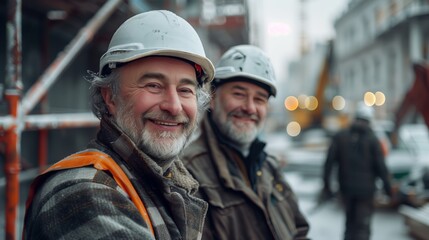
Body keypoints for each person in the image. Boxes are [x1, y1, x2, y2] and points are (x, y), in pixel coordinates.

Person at [23, 10, 214, 240]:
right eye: (153, 85)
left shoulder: (171, 183)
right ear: (110, 97)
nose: (174, 106)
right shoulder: (82, 195)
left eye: (185, 90)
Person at [181, 45, 310, 240]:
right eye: (239, 94)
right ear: (213, 98)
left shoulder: (268, 167)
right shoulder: (188, 174)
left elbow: (299, 231)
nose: (250, 108)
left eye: (259, 99)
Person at [322, 102, 393, 240]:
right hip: (366, 192)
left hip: (346, 190)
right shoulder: (373, 140)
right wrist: (388, 189)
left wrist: (327, 187)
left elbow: (328, 163)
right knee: (362, 227)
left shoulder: (341, 136)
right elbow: (381, 166)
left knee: (350, 225)